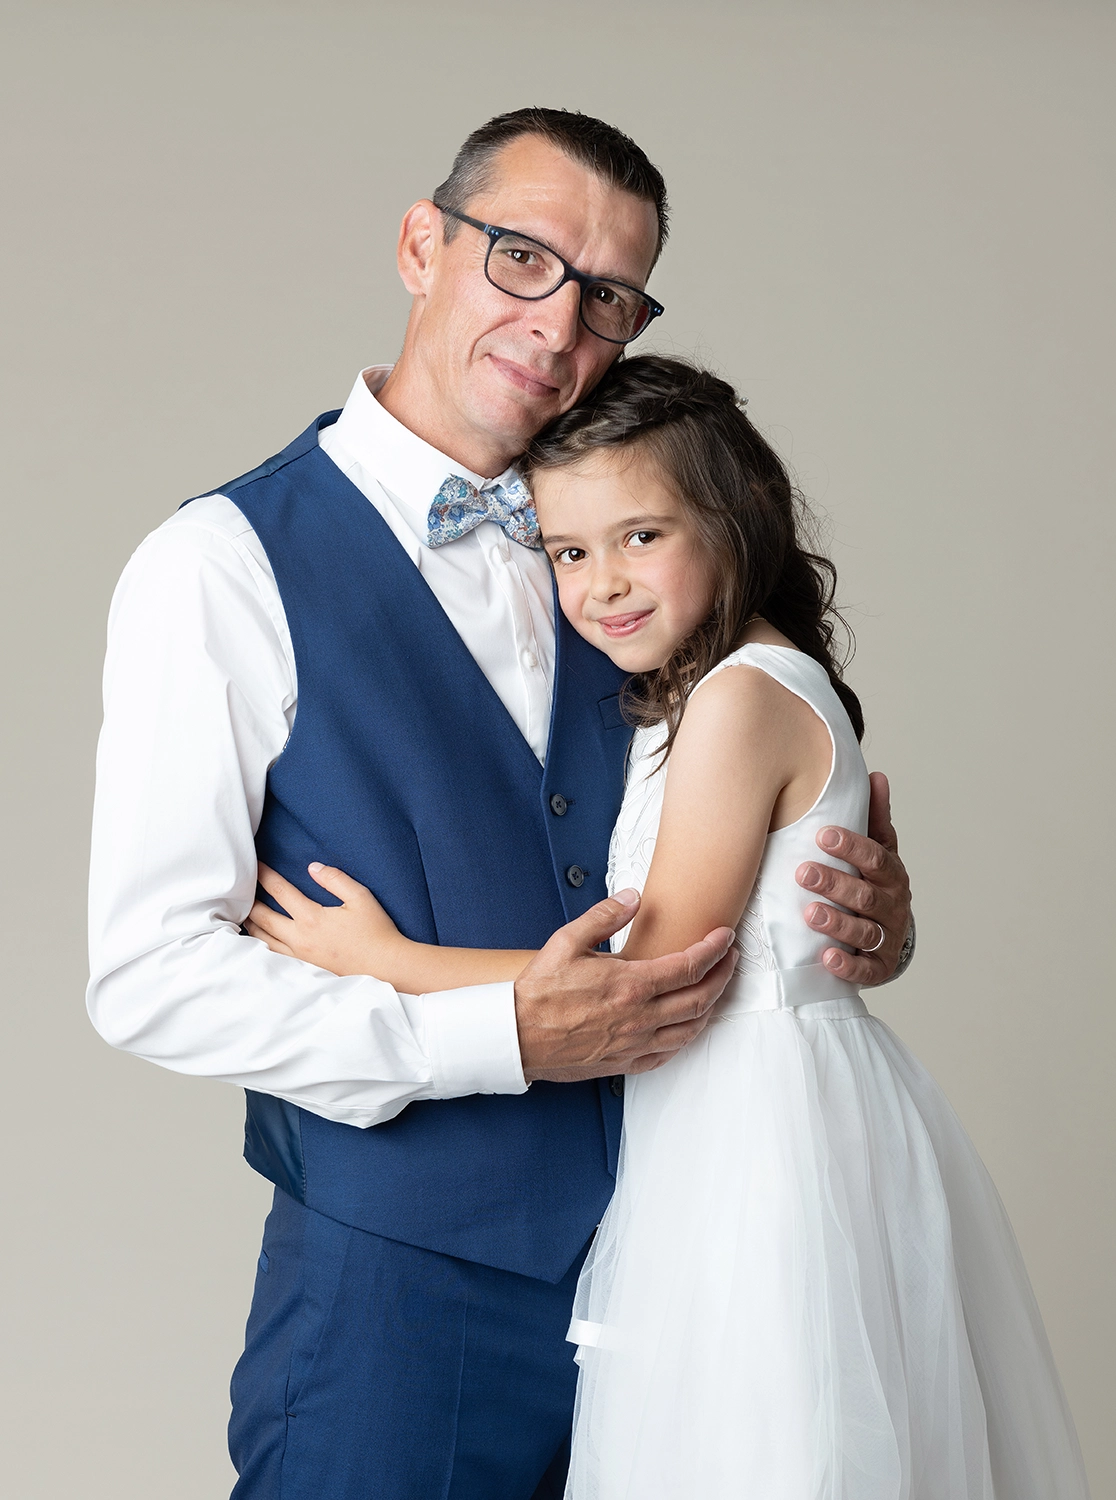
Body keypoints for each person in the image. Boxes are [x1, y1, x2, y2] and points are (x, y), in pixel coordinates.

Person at [87, 111, 914, 1498]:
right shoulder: (218, 566)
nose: (559, 321)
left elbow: (744, 821)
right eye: (520, 257)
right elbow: (148, 978)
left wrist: (846, 921)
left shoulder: (631, 542)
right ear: (422, 245)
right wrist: (502, 1033)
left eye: (609, 295)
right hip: (402, 1296)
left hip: (693, 1268)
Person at [250, 355, 1089, 1500]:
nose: (602, 585)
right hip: (730, 1114)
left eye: (640, 537)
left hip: (761, 1134)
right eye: (568, 552)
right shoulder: (705, 685)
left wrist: (387, 961)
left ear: (734, 521)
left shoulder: (739, 697)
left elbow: (653, 977)